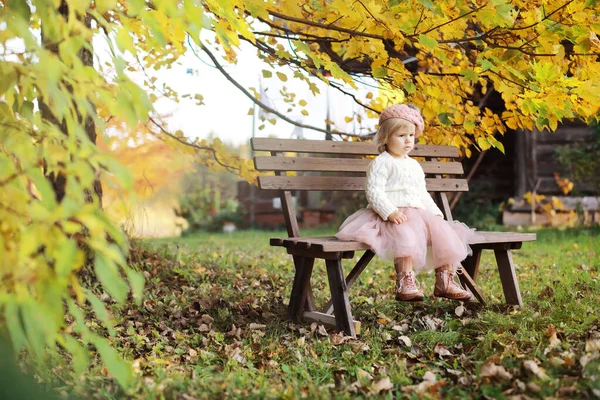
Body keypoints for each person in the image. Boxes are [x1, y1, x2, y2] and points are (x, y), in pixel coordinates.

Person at [335, 104, 481, 302]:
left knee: (445, 234)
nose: (408, 141)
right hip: (390, 216)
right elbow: (374, 191)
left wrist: (434, 213)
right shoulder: (381, 162)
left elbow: (421, 193)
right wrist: (390, 211)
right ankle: (405, 281)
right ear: (386, 137)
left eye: (411, 135)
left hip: (419, 214)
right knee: (405, 236)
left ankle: (445, 280)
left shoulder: (414, 165)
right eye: (401, 135)